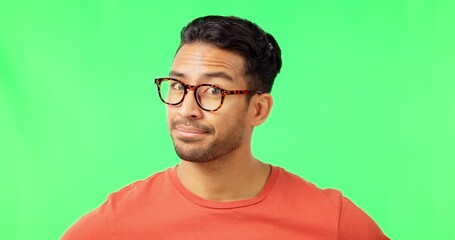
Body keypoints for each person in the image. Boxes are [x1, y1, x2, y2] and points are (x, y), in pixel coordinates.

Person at [62, 15, 389, 240]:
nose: (187, 109)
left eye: (214, 91)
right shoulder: (119, 222)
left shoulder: (331, 221)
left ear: (258, 109)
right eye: (177, 86)